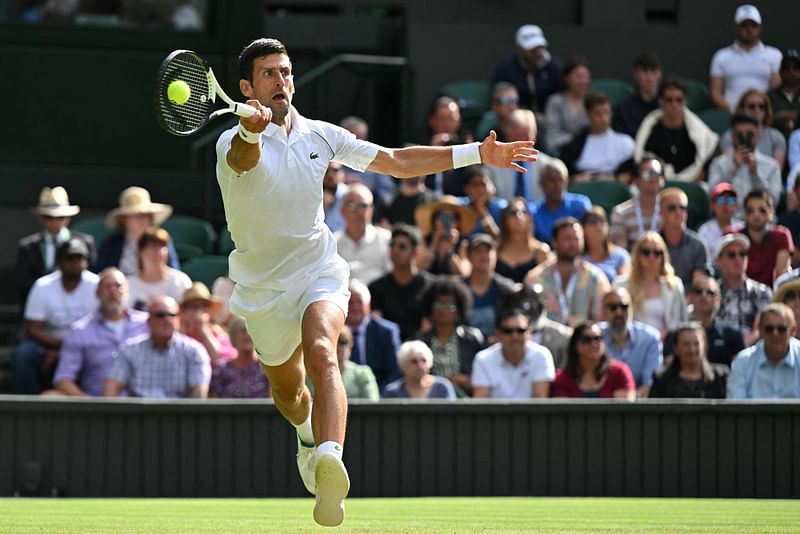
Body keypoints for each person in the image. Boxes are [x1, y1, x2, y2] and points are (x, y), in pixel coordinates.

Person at [214, 37, 534, 527]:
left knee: (323, 348)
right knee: (288, 392)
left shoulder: (322, 135)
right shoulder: (231, 142)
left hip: (318, 267)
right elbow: (242, 161)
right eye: (269, 74)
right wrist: (252, 134)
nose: (282, 82)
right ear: (246, 86)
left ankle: (329, 457)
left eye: (286, 71)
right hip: (262, 289)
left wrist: (476, 154)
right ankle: (306, 435)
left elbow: (396, 161)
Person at [12, 239, 99, 394]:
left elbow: (101, 325)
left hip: (88, 347)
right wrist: (63, 347)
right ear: (58, 261)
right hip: (48, 346)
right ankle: (27, 406)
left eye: (79, 258)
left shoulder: (97, 285)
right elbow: (33, 328)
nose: (75, 263)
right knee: (23, 354)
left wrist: (71, 349)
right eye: (70, 258)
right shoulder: (43, 285)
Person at [51, 268, 148, 397]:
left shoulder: (148, 323)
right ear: (97, 293)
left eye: (118, 286)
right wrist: (89, 404)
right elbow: (63, 379)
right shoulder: (80, 331)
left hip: (143, 403)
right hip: (97, 406)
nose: (113, 291)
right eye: (107, 286)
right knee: (50, 396)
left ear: (128, 291)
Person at [103, 295, 211, 398]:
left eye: (172, 315)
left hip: (179, 415)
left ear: (178, 319)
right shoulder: (130, 350)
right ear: (148, 320)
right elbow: (111, 388)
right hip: (139, 414)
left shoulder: (194, 350)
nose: (167, 320)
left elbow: (199, 392)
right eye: (160, 315)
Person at [15, 186, 96, 305]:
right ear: (41, 218)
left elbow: (92, 278)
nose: (55, 222)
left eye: (61, 217)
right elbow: (23, 284)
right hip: (41, 305)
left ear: (68, 218)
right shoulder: (27, 247)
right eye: (49, 217)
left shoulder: (85, 243)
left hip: (79, 305)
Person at [528, 217, 610, 326]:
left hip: (584, 340)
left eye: (577, 239)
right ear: (555, 242)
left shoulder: (596, 277)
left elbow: (603, 318)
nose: (573, 244)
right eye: (567, 238)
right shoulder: (536, 278)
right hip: (547, 340)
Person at [635, 77, 719, 182]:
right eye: (669, 100)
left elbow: (708, 151)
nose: (674, 105)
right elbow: (643, 158)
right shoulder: (651, 130)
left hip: (692, 185)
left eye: (679, 100)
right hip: (656, 184)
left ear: (685, 101)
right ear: (660, 101)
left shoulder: (698, 130)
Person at [414, 276, 485, 396]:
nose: (443, 310)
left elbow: (485, 376)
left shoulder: (473, 339)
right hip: (429, 400)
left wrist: (466, 380)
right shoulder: (419, 342)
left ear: (459, 310)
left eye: (450, 305)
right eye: (438, 304)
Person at [613, 232, 688, 338]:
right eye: (646, 252)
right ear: (637, 255)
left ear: (663, 256)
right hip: (633, 344)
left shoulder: (674, 285)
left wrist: (664, 336)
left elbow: (682, 321)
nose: (651, 257)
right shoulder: (621, 285)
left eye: (657, 253)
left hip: (667, 344)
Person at [709, 4, 782, 112]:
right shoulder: (721, 56)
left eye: (753, 25)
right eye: (744, 25)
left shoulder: (774, 55)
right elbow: (715, 93)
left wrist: (764, 112)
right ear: (736, 28)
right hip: (731, 116)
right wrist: (732, 111)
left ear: (760, 28)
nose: (749, 29)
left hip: (763, 115)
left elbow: (777, 90)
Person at [368, 223, 433, 341]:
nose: (395, 250)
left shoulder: (429, 286)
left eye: (402, 246)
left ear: (415, 252)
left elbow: (428, 327)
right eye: (392, 245)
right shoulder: (376, 287)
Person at [471, 308, 555, 399]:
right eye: (508, 331)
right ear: (497, 334)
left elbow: (540, 401)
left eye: (520, 331)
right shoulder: (483, 359)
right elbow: (481, 402)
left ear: (529, 333)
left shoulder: (541, 355)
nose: (514, 336)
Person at [708, 113, 782, 214]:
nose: (745, 138)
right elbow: (713, 195)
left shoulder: (771, 165)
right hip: (729, 220)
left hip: (759, 222)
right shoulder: (719, 163)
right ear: (733, 136)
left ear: (758, 134)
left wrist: (755, 175)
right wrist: (733, 168)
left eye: (750, 134)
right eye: (739, 135)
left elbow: (773, 201)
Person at [95, 186, 179, 275]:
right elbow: (100, 273)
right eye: (137, 215)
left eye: (147, 215)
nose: (144, 219)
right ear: (124, 219)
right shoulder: (112, 244)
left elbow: (174, 271)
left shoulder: (161, 241)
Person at [664, 276, 744, 367]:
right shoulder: (674, 334)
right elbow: (668, 369)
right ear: (689, 298)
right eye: (698, 292)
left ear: (718, 300)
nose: (704, 296)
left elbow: (738, 371)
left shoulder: (733, 335)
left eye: (710, 292)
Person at [728, 303, 800, 398]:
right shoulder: (743, 362)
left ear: (793, 330)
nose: (775, 334)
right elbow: (735, 407)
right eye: (769, 329)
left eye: (781, 329)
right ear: (760, 330)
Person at [599, 288, 662, 397]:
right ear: (604, 311)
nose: (619, 312)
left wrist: (627, 399)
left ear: (632, 308)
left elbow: (650, 385)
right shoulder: (594, 337)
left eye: (624, 307)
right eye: (613, 307)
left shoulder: (650, 338)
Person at [559, 91, 635, 180]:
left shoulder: (626, 142)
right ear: (588, 114)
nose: (603, 118)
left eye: (606, 112)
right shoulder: (574, 146)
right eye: (598, 113)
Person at [551, 321, 636, 399]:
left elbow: (626, 410)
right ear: (575, 345)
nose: (594, 344)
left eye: (598, 338)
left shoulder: (619, 372)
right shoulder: (562, 378)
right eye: (587, 339)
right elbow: (562, 412)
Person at [714, 233, 772, 346]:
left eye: (743, 254)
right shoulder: (710, 292)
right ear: (718, 261)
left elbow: (760, 330)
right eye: (732, 255)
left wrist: (738, 348)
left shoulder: (762, 292)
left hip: (751, 354)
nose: (738, 259)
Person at [490, 24, 563, 114]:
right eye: (531, 49)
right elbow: (498, 96)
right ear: (520, 48)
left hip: (549, 120)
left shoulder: (554, 67)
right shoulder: (506, 67)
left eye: (539, 47)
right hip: (514, 118)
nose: (537, 52)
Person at [344, 279, 402, 391]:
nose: (355, 307)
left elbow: (395, 371)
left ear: (368, 305)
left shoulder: (386, 331)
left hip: (380, 395)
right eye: (350, 302)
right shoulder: (335, 331)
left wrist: (377, 397)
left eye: (359, 302)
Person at [492, 109, 559, 203]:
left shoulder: (548, 166)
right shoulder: (493, 166)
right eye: (517, 136)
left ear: (534, 136)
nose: (522, 141)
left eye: (526, 135)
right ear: (507, 136)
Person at [650, 322, 729, 398]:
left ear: (704, 346)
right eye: (686, 345)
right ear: (676, 348)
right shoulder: (661, 378)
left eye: (696, 344)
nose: (692, 350)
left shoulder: (720, 377)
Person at [334, 183, 392, 286]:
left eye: (363, 206)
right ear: (342, 210)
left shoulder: (386, 239)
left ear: (371, 210)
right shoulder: (332, 243)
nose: (359, 212)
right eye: (352, 205)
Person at [464, 233, 517, 342]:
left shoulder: (507, 290)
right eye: (478, 251)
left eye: (488, 251)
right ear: (469, 256)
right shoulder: (458, 289)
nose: (484, 256)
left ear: (496, 255)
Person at [504, 283, 572, 368]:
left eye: (534, 305)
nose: (529, 312)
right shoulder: (506, 334)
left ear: (543, 306)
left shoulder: (563, 336)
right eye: (524, 307)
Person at [127, 227, 193, 310]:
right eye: (151, 247)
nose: (157, 252)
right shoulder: (129, 284)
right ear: (140, 252)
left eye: (161, 247)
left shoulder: (180, 281)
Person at [719, 90, 786, 171]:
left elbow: (777, 171)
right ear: (742, 109)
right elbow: (723, 166)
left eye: (761, 106)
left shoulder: (776, 136)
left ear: (766, 110)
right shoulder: (728, 136)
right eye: (751, 106)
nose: (757, 110)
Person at [658, 187, 710, 290]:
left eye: (682, 208)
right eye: (672, 208)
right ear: (660, 212)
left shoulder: (698, 245)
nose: (678, 212)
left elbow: (699, 286)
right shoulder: (652, 245)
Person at [738, 189, 793, 287]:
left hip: (774, 296)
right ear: (745, 214)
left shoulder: (781, 236)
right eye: (750, 210)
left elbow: (782, 275)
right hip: (740, 294)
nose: (756, 214)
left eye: (762, 210)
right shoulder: (734, 236)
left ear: (771, 212)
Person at [338, 115, 396, 204]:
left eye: (360, 140)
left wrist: (365, 188)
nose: (356, 145)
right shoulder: (331, 165)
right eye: (352, 139)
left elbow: (389, 197)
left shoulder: (378, 166)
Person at [530, 160, 591, 244]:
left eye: (560, 179)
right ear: (541, 183)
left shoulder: (580, 205)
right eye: (552, 180)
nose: (557, 185)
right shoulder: (533, 211)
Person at [414, 195, 477, 277]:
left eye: (451, 217)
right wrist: (434, 244)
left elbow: (463, 274)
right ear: (434, 220)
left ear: (457, 222)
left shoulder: (462, 243)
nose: (446, 221)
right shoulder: (425, 240)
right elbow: (419, 269)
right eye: (442, 216)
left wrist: (450, 251)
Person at [209, 317, 271, 398]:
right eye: (243, 331)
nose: (248, 335)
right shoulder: (221, 370)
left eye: (251, 331)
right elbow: (214, 403)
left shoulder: (267, 369)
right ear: (233, 336)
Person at [495, 197, 551, 284]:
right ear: (504, 219)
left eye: (524, 212)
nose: (519, 216)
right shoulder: (495, 251)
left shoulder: (541, 251)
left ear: (530, 218)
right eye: (513, 213)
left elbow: (549, 284)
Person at [179, 282, 236, 366]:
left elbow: (221, 360)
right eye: (194, 306)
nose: (200, 311)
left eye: (204, 306)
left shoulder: (219, 333)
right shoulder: (180, 337)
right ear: (185, 311)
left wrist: (204, 332)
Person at [544, 56, 592, 154]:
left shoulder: (593, 102)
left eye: (586, 77)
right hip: (562, 154)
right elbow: (552, 139)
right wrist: (578, 141)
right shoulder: (555, 102)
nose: (583, 81)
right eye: (578, 77)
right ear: (566, 78)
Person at [382, 340, 457, 399]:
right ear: (403, 365)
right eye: (414, 362)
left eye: (424, 360)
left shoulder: (442, 387)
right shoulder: (392, 392)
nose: (420, 365)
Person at [613, 51, 663, 138]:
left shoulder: (668, 106)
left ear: (659, 74)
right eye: (644, 71)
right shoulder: (622, 109)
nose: (649, 76)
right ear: (635, 74)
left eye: (653, 71)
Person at [325, 325, 379, 401]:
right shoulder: (313, 373)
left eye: (343, 342)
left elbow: (372, 403)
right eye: (334, 342)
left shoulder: (363, 373)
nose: (338, 347)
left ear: (350, 345)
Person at [581, 207, 631, 284]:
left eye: (602, 221)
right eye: (593, 222)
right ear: (583, 228)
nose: (598, 226)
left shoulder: (621, 255)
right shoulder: (578, 259)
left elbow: (623, 284)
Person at [457, 165, 507, 239]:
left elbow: (500, 240)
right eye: (475, 185)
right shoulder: (459, 207)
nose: (479, 189)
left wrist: (482, 211)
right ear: (466, 189)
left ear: (493, 187)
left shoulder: (502, 208)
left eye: (483, 184)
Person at [697, 183, 744, 258]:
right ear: (712, 205)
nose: (725, 204)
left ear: (736, 205)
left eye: (730, 200)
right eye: (721, 200)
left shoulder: (743, 227)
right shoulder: (704, 231)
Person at [767, 49, 800, 139]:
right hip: (775, 142)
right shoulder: (769, 97)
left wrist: (791, 115)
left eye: (796, 67)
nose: (791, 72)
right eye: (786, 68)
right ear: (780, 72)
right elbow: (765, 121)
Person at [322, 161, 347, 233]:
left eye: (335, 170)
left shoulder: (349, 195)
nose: (330, 175)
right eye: (326, 170)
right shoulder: (312, 194)